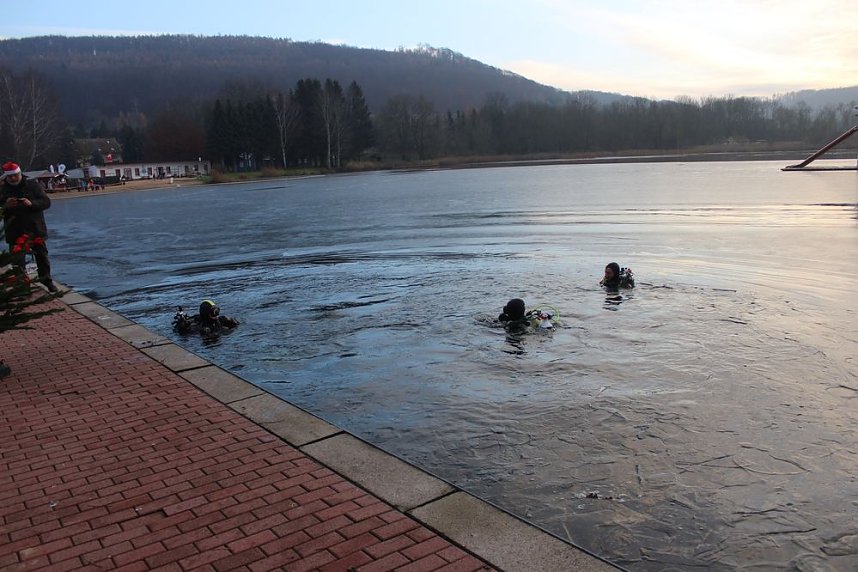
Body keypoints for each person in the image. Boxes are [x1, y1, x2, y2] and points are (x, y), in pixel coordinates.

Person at [0, 161, 58, 292]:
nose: (13, 178)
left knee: (42, 257)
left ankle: (46, 280)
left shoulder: (33, 185)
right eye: (10, 177)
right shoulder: (2, 190)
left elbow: (46, 202)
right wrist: (6, 206)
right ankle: (22, 285)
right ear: (7, 177)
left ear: (20, 173)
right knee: (17, 261)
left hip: (35, 228)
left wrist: (31, 203)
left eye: (16, 175)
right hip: (14, 230)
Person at [173, 300, 239, 336]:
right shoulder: (198, 325)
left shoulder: (221, 320)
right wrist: (183, 324)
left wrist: (233, 322)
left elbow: (237, 325)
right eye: (213, 312)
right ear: (206, 313)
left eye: (217, 311)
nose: (216, 315)